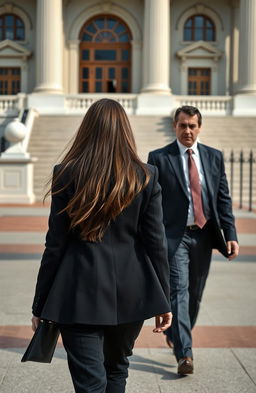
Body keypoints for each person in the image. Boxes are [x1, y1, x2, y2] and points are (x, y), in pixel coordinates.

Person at [31, 98, 172, 393]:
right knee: (117, 371)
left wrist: (40, 303)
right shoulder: (145, 175)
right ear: (125, 131)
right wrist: (164, 299)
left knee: (89, 382)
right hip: (131, 292)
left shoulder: (66, 173)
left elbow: (54, 245)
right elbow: (156, 244)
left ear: (87, 129)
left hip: (78, 291)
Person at [148, 105, 239, 376]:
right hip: (174, 237)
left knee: (195, 295)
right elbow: (151, 202)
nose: (187, 130)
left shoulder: (213, 157)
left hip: (204, 234)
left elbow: (222, 197)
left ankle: (178, 334)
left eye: (192, 126)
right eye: (182, 125)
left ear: (200, 128)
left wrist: (230, 233)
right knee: (179, 291)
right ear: (174, 127)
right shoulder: (159, 158)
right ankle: (185, 354)